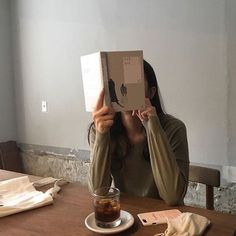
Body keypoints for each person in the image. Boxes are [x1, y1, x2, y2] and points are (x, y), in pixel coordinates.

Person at [87, 60, 189, 206]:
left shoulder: (174, 128)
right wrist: (102, 135)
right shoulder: (99, 129)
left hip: (164, 217)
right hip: (125, 215)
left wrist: (153, 126)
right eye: (119, 83)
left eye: (135, 83)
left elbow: (173, 196)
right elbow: (98, 192)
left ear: (151, 92)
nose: (125, 89)